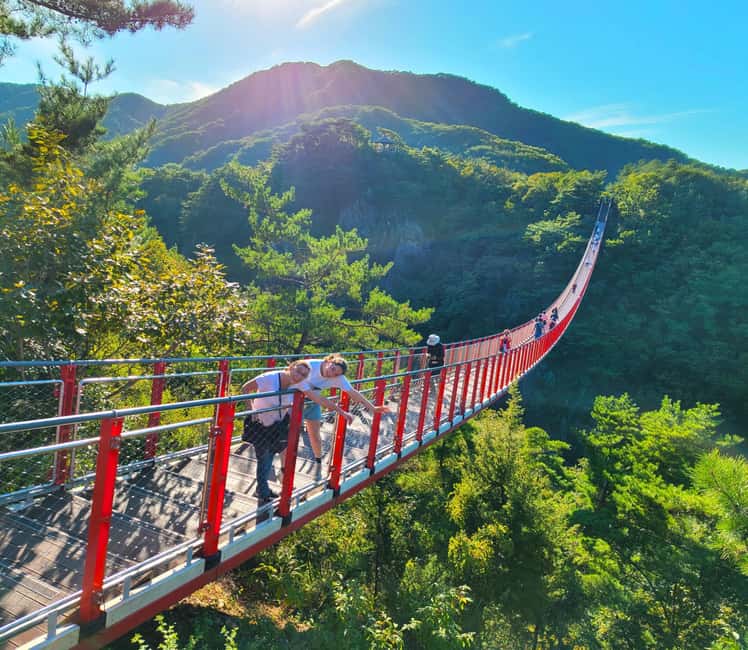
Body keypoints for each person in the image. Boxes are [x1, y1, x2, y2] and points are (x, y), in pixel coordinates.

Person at [241, 361, 352, 504]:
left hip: (276, 426)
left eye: (304, 375)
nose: (299, 376)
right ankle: (263, 492)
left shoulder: (299, 383)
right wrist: (251, 410)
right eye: (298, 371)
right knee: (264, 457)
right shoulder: (269, 377)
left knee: (270, 455)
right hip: (261, 424)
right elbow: (245, 388)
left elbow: (318, 398)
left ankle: (263, 488)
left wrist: (341, 412)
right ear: (291, 367)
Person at [291, 354, 390, 478]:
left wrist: (373, 408)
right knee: (290, 437)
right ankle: (286, 469)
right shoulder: (311, 365)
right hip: (293, 402)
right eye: (332, 369)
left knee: (315, 436)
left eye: (336, 374)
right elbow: (290, 373)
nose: (332, 374)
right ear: (329, 361)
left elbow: (353, 393)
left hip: (312, 402)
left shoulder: (338, 378)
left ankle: (318, 462)